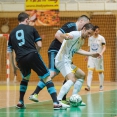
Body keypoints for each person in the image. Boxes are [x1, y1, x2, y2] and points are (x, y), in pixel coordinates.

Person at [7, 12, 67, 110]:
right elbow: (39, 45)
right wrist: (36, 53)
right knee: (47, 77)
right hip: (32, 54)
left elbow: (9, 51)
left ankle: (20, 101)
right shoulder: (31, 29)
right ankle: (56, 103)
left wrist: (13, 66)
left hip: (20, 59)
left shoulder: (12, 33)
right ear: (26, 20)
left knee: (25, 78)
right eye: (29, 20)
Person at [29, 15, 90, 105]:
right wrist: (67, 46)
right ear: (81, 21)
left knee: (70, 74)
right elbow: (57, 35)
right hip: (56, 50)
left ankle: (65, 98)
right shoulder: (71, 25)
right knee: (53, 72)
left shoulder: (78, 34)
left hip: (66, 55)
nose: (86, 27)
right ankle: (35, 93)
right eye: (86, 24)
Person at [55, 23, 100, 105]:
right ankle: (58, 101)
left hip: (67, 61)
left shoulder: (82, 40)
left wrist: (91, 54)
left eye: (91, 34)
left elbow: (78, 50)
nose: (89, 36)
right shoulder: (75, 34)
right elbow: (62, 35)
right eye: (89, 33)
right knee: (72, 79)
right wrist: (66, 36)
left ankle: (73, 99)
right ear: (84, 29)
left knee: (82, 75)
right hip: (62, 60)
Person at [85, 25, 106, 91]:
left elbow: (104, 47)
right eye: (95, 31)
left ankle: (101, 86)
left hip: (98, 57)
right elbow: (89, 48)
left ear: (99, 31)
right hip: (91, 57)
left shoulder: (101, 38)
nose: (96, 32)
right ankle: (88, 86)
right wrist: (86, 55)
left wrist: (101, 53)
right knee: (90, 71)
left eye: (97, 31)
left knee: (100, 72)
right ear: (93, 31)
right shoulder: (90, 38)